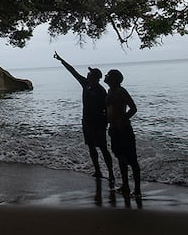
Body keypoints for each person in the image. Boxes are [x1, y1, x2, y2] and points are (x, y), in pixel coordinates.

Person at [54, 51, 115, 185]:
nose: (87, 74)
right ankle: (98, 170)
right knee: (91, 147)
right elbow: (73, 71)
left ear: (95, 77)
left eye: (89, 74)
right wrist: (61, 60)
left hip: (98, 123)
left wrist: (106, 124)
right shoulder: (85, 84)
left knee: (103, 148)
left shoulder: (101, 91)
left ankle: (111, 173)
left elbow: (106, 109)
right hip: (87, 121)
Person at [104, 69, 142, 198]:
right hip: (114, 129)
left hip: (124, 129)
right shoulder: (110, 91)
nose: (106, 76)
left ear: (114, 79)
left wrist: (123, 119)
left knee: (132, 159)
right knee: (120, 157)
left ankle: (137, 189)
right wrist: (110, 125)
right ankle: (125, 185)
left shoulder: (121, 91)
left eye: (108, 75)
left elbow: (133, 108)